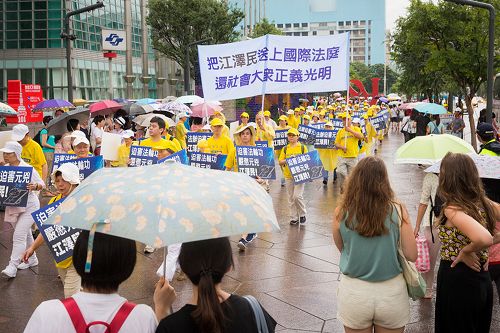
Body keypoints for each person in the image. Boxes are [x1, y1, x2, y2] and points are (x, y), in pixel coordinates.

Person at [24, 230, 176, 333]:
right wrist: (163, 309)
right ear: (128, 265)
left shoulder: (48, 313)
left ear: (78, 259)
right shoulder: (143, 318)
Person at [332, 156, 417, 333]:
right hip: (391, 293)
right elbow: (411, 254)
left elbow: (342, 248)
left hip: (354, 292)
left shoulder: (341, 211)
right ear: (384, 180)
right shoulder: (398, 210)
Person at [434, 153, 499, 332]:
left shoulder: (452, 209)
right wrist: (491, 241)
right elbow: (486, 238)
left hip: (458, 280)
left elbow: (483, 238)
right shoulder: (483, 203)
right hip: (481, 280)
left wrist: (466, 251)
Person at [156, 238, 276, 333]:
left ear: (184, 268)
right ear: (229, 266)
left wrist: (161, 310)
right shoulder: (252, 309)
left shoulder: (171, 326)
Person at [22, 163, 82, 297]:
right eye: (57, 180)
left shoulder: (83, 200)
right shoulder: (53, 202)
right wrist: (32, 248)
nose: (60, 184)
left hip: (79, 257)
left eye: (64, 180)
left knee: (71, 296)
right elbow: (46, 230)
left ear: (73, 180)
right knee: (76, 293)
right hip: (61, 257)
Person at [0, 142, 45, 279]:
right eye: (4, 153)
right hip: (13, 206)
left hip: (30, 206)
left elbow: (42, 184)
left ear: (17, 154)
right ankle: (32, 259)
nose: (6, 155)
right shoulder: (5, 168)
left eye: (9, 153)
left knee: (19, 235)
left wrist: (35, 185)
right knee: (26, 235)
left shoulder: (27, 168)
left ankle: (12, 266)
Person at [225, 124, 267, 251]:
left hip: (253, 184)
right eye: (242, 134)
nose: (245, 136)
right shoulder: (234, 150)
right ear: (239, 136)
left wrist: (262, 180)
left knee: (249, 209)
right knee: (242, 211)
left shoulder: (257, 150)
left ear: (251, 136)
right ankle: (251, 232)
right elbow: (227, 168)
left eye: (247, 133)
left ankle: (244, 237)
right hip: (239, 185)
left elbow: (264, 171)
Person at [413, 172, 441, 299]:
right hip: (454, 221)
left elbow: (423, 202)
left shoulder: (430, 176)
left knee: (429, 259)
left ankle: (427, 290)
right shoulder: (457, 174)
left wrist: (417, 225)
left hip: (432, 223)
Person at [279, 128, 308, 226]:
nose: (291, 137)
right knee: (291, 198)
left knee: (297, 196)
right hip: (288, 176)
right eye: (289, 135)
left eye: (293, 135)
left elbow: (308, 160)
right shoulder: (285, 148)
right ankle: (294, 218)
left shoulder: (302, 147)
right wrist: (288, 160)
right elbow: (280, 161)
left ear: (298, 136)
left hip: (300, 175)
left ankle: (302, 213)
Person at [334, 113, 363, 188]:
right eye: (343, 120)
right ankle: (344, 186)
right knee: (339, 171)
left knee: (353, 175)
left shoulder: (356, 128)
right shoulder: (340, 131)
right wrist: (342, 147)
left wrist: (350, 130)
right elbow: (336, 144)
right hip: (342, 156)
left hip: (353, 156)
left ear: (350, 120)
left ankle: (349, 188)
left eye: (347, 119)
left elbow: (360, 136)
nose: (345, 121)